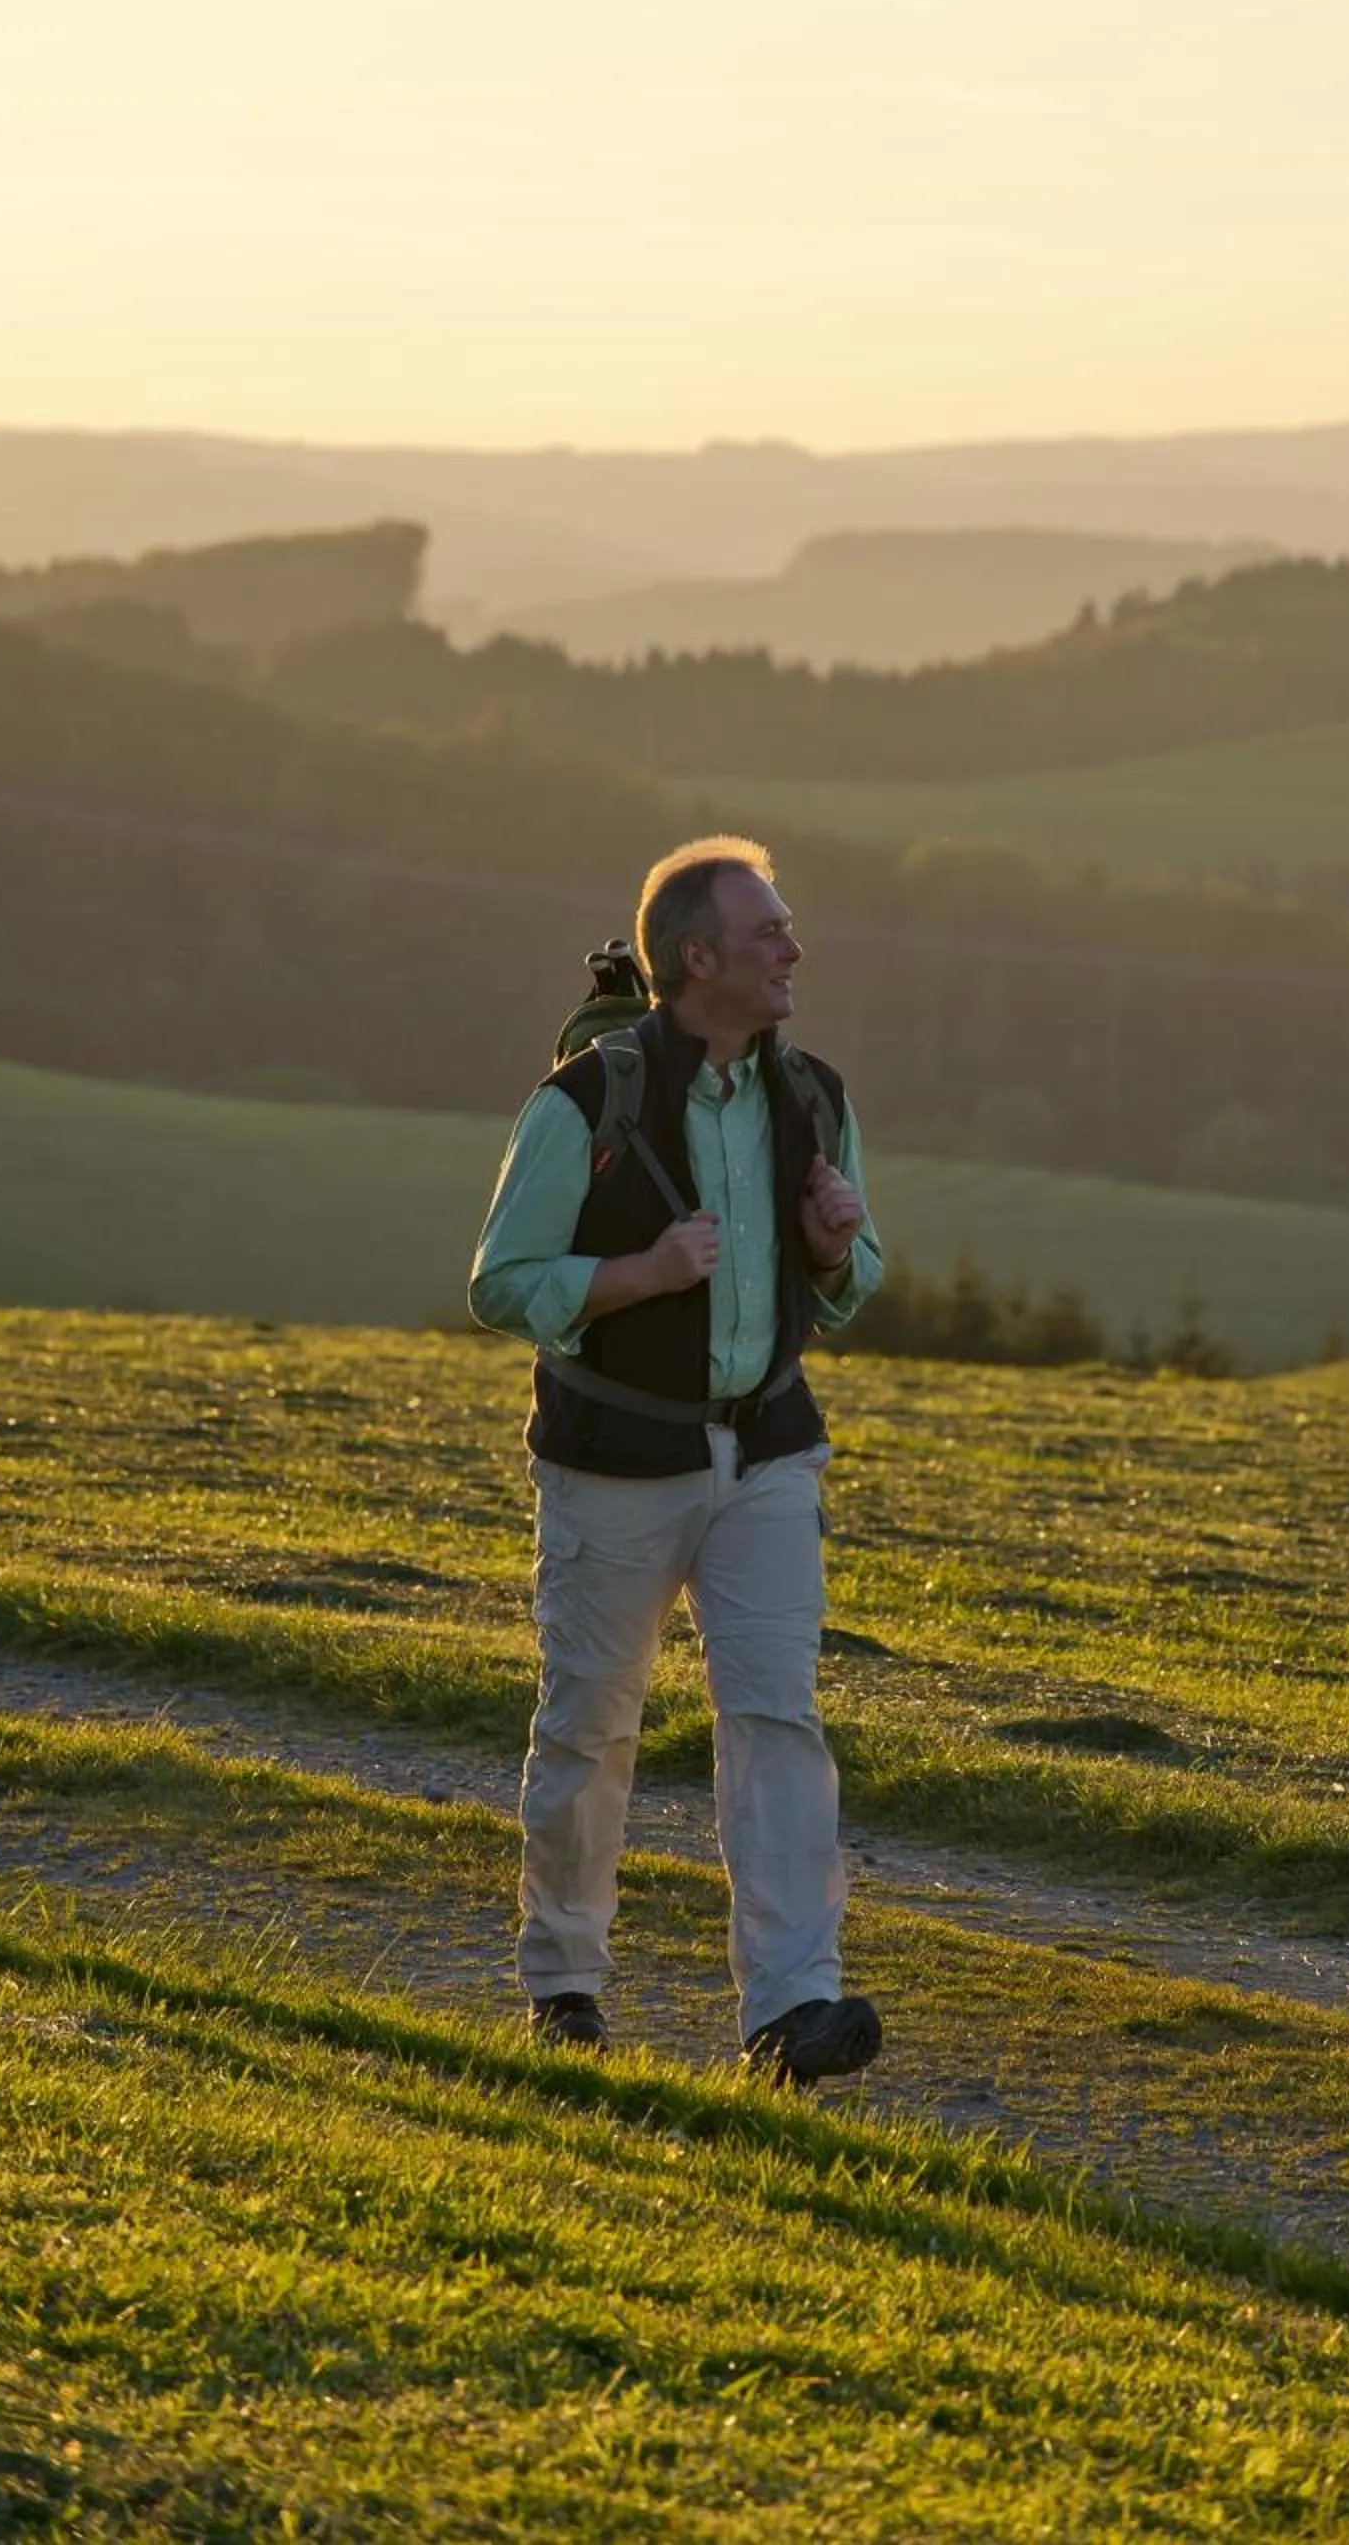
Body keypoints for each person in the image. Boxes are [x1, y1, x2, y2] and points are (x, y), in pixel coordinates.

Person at [469, 834, 886, 2083]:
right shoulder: (581, 1101)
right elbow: (499, 1284)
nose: (792, 949)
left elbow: (854, 1287)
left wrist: (831, 1248)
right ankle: (564, 1986)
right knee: (593, 1726)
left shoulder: (812, 1093)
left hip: (767, 1455)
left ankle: (792, 2009)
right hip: (611, 1463)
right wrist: (636, 1278)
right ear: (697, 957)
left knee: (776, 1718)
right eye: (768, 932)